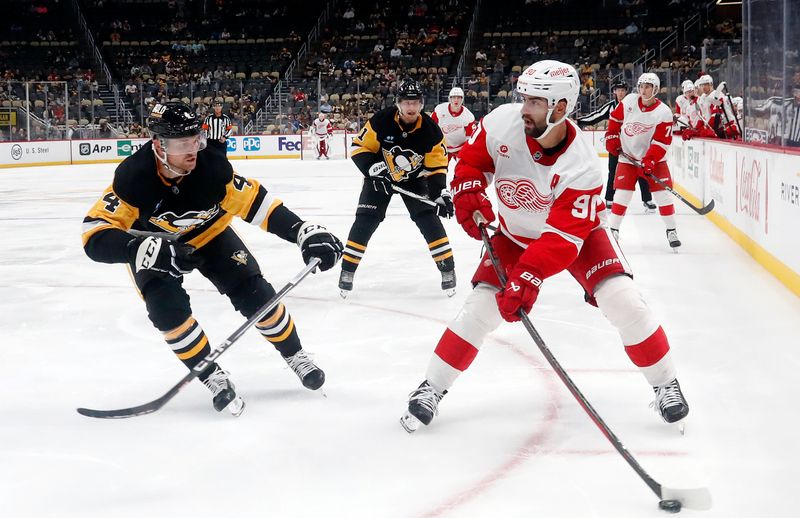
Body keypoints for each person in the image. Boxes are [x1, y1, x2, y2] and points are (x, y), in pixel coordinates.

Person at [399, 60, 689, 432]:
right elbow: (471, 164)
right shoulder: (502, 122)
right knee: (479, 309)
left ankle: (666, 382)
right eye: (524, 98)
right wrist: (468, 189)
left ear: (561, 107)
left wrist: (527, 277)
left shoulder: (582, 163)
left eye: (535, 102)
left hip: (581, 238)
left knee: (622, 299)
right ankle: (432, 387)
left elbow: (562, 239)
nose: (524, 109)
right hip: (516, 234)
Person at [81, 103, 343, 416]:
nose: (193, 151)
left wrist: (303, 231)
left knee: (259, 299)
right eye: (182, 144)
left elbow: (259, 205)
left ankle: (296, 355)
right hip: (157, 249)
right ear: (158, 145)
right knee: (166, 313)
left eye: (196, 141)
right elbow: (94, 233)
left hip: (212, 235)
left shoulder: (212, 169)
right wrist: (139, 248)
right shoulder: (133, 179)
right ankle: (212, 376)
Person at [338, 79, 455, 297]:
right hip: (379, 177)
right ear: (398, 103)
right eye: (406, 103)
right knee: (365, 220)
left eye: (416, 103)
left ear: (421, 105)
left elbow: (437, 166)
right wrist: (372, 169)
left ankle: (448, 269)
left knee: (428, 218)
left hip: (414, 179)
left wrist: (440, 194)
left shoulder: (431, 130)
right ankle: (347, 270)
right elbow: (360, 147)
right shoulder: (381, 121)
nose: (411, 108)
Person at [605, 73, 681, 249]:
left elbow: (662, 141)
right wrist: (612, 137)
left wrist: (650, 160)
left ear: (655, 89)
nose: (643, 90)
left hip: (656, 161)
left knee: (663, 196)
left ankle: (671, 230)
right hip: (628, 158)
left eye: (647, 86)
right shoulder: (630, 101)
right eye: (641, 86)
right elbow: (615, 120)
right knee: (622, 194)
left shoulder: (663, 112)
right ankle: (614, 229)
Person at [577, 80, 655, 213]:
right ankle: (609, 198)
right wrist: (580, 120)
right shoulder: (610, 106)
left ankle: (647, 199)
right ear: (614, 92)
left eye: (623, 90)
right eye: (618, 90)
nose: (620, 92)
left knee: (641, 170)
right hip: (616, 143)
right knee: (613, 170)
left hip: (634, 144)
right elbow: (596, 116)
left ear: (626, 91)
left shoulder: (635, 104)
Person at [431, 86, 476, 163]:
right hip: (442, 147)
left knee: (463, 170)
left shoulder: (468, 116)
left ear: (462, 99)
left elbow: (470, 138)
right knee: (439, 171)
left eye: (459, 97)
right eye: (453, 97)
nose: (456, 100)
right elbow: (431, 127)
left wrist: (467, 152)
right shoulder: (440, 110)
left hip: (460, 148)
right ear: (449, 98)